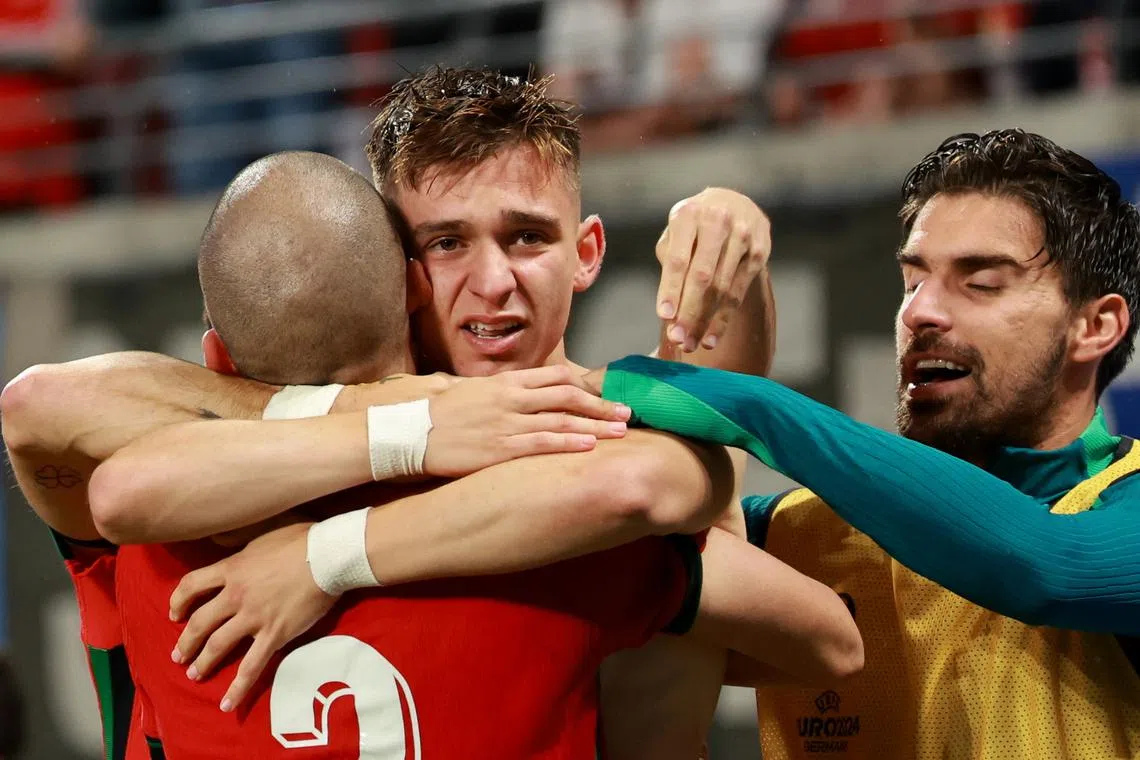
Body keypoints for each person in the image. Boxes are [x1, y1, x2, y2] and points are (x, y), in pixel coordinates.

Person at [2, 69, 857, 757]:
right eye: (447, 243)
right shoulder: (592, 509)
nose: (492, 283)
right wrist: (415, 414)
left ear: (586, 252)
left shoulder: (603, 440)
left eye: (526, 236)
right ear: (401, 271)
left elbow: (696, 436)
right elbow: (823, 632)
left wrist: (323, 555)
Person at [573, 129, 1140, 759]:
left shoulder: (1123, 511)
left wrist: (756, 408)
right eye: (912, 280)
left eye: (980, 282)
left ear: (1096, 326)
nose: (922, 312)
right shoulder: (798, 539)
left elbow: (1047, 568)